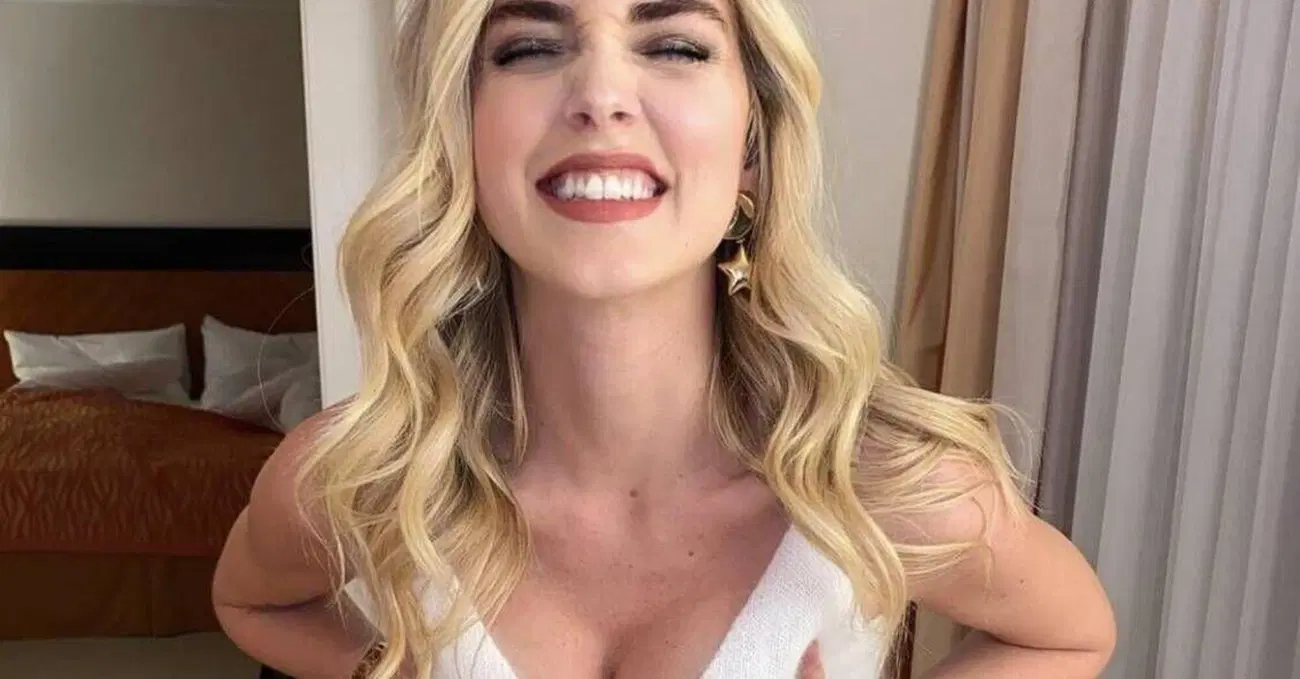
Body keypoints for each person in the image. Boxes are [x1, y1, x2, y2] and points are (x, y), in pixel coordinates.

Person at [213, 0, 1116, 677]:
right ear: (461, 137)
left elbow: (1073, 633)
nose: (602, 96)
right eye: (530, 47)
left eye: (675, 45)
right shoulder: (364, 477)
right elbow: (250, 600)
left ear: (752, 145)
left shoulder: (880, 481)